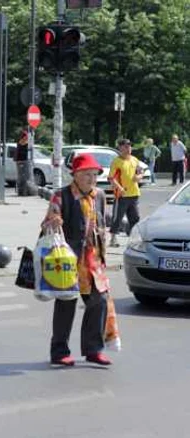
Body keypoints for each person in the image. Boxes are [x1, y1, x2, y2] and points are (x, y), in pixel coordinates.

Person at [42, 153, 112, 367]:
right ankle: (59, 351)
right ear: (76, 175)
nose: (92, 179)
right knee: (66, 305)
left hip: (92, 260)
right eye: (87, 175)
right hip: (68, 260)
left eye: (94, 175)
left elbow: (100, 223)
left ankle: (93, 350)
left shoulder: (99, 195)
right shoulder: (61, 196)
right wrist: (54, 221)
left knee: (99, 302)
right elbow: (46, 225)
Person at [108, 138, 142, 247]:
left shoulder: (135, 160)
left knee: (135, 218)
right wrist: (120, 188)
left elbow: (140, 172)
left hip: (134, 194)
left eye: (129, 146)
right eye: (126, 147)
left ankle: (132, 239)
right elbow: (111, 178)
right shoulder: (116, 161)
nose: (128, 149)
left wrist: (139, 177)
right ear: (120, 148)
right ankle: (113, 239)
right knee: (117, 218)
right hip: (122, 195)